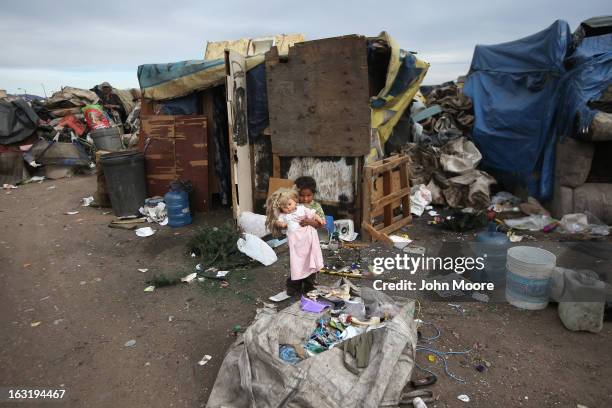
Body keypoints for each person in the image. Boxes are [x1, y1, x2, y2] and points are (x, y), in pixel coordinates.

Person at [265, 188, 324, 296]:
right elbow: (277, 222)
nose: (287, 208)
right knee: (296, 265)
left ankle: (308, 286)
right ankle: (294, 286)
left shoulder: (302, 209)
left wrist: (318, 219)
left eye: (289, 204)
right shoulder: (284, 216)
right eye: (284, 207)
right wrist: (281, 224)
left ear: (294, 201)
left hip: (308, 242)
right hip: (296, 245)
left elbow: (313, 215)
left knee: (309, 263)